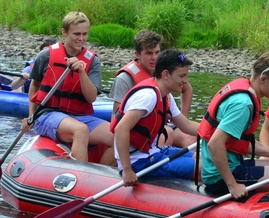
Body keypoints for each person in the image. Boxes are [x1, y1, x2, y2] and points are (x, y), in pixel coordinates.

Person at [198, 51, 269, 199]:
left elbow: (240, 142)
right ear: (263, 79)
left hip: (233, 165)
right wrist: (232, 185)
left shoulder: (246, 93)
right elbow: (215, 143)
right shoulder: (243, 105)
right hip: (221, 177)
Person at [21, 12, 115, 166]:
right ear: (64, 32)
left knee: (118, 137)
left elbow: (91, 98)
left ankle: (99, 176)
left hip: (79, 116)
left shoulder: (93, 61)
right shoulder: (45, 55)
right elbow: (35, 85)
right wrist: (31, 115)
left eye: (85, 34)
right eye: (76, 34)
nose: (81, 38)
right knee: (80, 130)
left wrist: (82, 72)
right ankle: (80, 178)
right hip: (47, 114)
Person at [111, 49, 200, 187]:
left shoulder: (166, 96)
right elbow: (121, 129)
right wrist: (127, 170)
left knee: (201, 158)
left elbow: (186, 125)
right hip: (139, 162)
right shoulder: (148, 96)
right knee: (202, 167)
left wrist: (217, 131)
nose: (185, 81)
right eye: (182, 76)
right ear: (166, 74)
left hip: (154, 152)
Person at [109, 29, 196, 148]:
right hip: (140, 130)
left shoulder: (163, 71)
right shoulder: (125, 79)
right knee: (168, 133)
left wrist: (183, 116)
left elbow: (186, 88)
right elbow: (117, 117)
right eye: (149, 53)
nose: (154, 58)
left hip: (162, 123)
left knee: (192, 138)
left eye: (157, 52)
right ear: (137, 54)